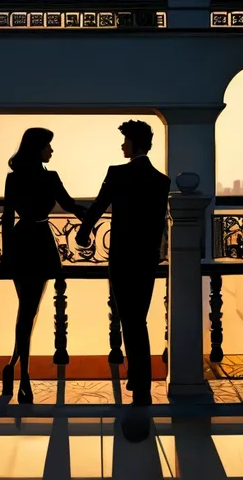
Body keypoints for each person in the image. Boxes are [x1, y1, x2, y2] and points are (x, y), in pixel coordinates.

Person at [76, 120, 170, 410]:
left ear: (133, 143)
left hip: (121, 258)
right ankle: (138, 377)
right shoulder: (161, 181)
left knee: (129, 319)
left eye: (125, 141)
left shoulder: (117, 174)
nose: (122, 145)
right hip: (146, 258)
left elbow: (97, 207)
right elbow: (158, 224)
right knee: (137, 317)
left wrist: (83, 233)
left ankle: (140, 384)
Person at [0, 128, 86, 404]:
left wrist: (6, 253)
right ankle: (21, 374)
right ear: (37, 149)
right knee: (29, 309)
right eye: (48, 146)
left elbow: (6, 218)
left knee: (26, 308)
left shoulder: (14, 179)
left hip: (20, 240)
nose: (51, 151)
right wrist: (94, 215)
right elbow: (70, 204)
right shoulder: (49, 178)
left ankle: (15, 368)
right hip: (39, 242)